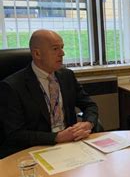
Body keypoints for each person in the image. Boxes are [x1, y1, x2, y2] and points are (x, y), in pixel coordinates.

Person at [0, 29, 99, 158]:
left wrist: (88, 123)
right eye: (55, 49)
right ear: (37, 53)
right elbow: (15, 134)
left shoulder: (67, 76)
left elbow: (90, 105)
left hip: (71, 145)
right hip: (35, 150)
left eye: (62, 48)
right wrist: (57, 137)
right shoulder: (12, 86)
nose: (62, 53)